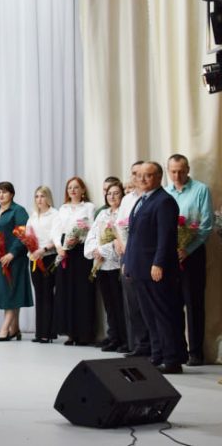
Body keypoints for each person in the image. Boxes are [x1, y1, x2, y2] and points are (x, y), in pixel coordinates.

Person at [126, 161, 188, 374]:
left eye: (148, 175)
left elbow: (166, 237)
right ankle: (157, 355)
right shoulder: (141, 200)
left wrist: (158, 263)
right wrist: (128, 263)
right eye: (139, 175)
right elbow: (134, 236)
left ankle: (171, 360)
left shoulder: (164, 201)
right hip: (139, 268)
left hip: (156, 269)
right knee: (149, 316)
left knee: (163, 314)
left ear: (159, 177)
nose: (142, 179)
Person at [164, 153, 215, 367]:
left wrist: (187, 249)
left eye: (181, 171)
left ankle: (196, 353)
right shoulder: (165, 193)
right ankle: (178, 351)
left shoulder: (201, 190)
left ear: (188, 170)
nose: (177, 175)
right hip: (169, 256)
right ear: (168, 171)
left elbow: (206, 225)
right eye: (173, 171)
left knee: (194, 304)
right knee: (172, 304)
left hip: (192, 255)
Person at [51, 176, 96, 346]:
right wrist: (59, 247)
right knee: (66, 290)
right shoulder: (62, 208)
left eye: (76, 187)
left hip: (82, 250)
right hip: (65, 250)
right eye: (70, 187)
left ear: (83, 190)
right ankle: (70, 332)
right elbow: (56, 231)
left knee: (82, 290)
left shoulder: (89, 207)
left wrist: (80, 237)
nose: (73, 190)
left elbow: (93, 228)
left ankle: (84, 333)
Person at [85, 179, 128, 353]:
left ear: (122, 195)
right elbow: (92, 234)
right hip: (102, 265)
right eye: (109, 194)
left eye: (116, 193)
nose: (112, 196)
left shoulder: (124, 213)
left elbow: (122, 238)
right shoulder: (103, 214)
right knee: (109, 304)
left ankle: (125, 339)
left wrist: (103, 250)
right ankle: (114, 337)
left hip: (117, 264)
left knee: (120, 304)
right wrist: (94, 250)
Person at [0, 181, 31, 341]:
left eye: (4, 192)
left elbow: (23, 234)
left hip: (14, 258)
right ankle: (15, 329)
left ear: (11, 194)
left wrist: (12, 253)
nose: (1, 195)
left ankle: (4, 330)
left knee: (12, 292)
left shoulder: (18, 211)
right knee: (5, 292)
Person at [117, 160, 151, 359]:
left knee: (148, 303)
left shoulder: (152, 198)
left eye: (141, 174)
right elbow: (119, 224)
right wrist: (121, 245)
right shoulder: (127, 199)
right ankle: (141, 344)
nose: (138, 178)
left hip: (145, 257)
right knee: (133, 303)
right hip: (128, 255)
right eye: (134, 174)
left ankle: (155, 346)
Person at [26, 186, 59, 344]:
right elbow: (27, 235)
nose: (39, 199)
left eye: (42, 196)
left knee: (47, 293)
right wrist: (31, 248)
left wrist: (43, 249)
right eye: (37, 196)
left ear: (48, 198)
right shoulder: (33, 216)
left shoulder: (55, 214)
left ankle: (48, 332)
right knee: (39, 294)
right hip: (34, 258)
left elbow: (56, 238)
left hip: (48, 257)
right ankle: (40, 332)